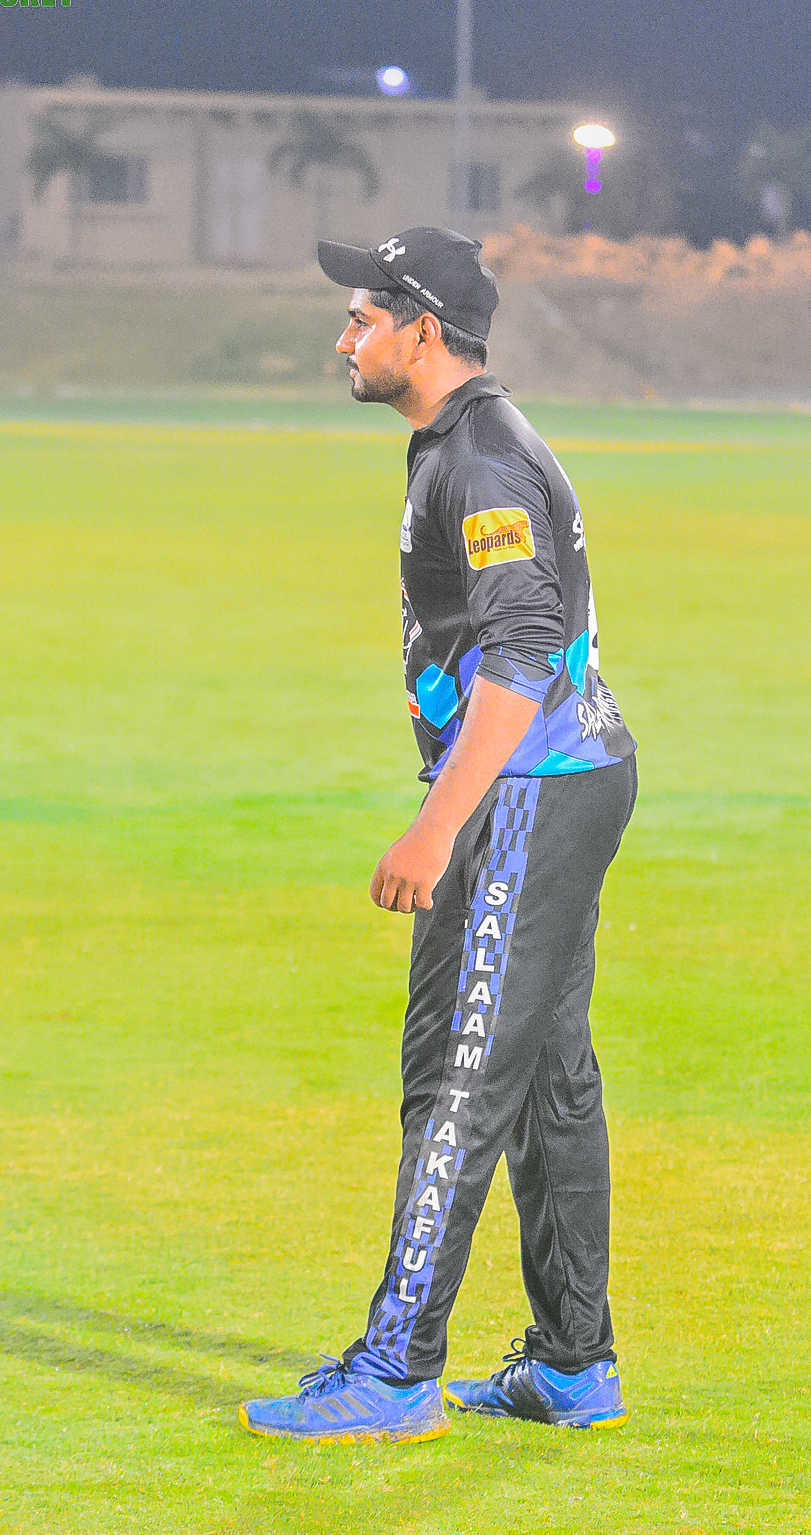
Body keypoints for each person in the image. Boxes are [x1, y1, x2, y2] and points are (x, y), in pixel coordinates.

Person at [240, 227, 637, 1446]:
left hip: (524, 791)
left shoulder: (484, 463)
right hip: (557, 782)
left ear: (423, 331)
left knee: (455, 1079)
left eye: (362, 318)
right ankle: (571, 1362)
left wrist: (433, 829)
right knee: (547, 1078)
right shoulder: (460, 444)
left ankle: (396, 1371)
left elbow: (519, 659)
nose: (342, 338)